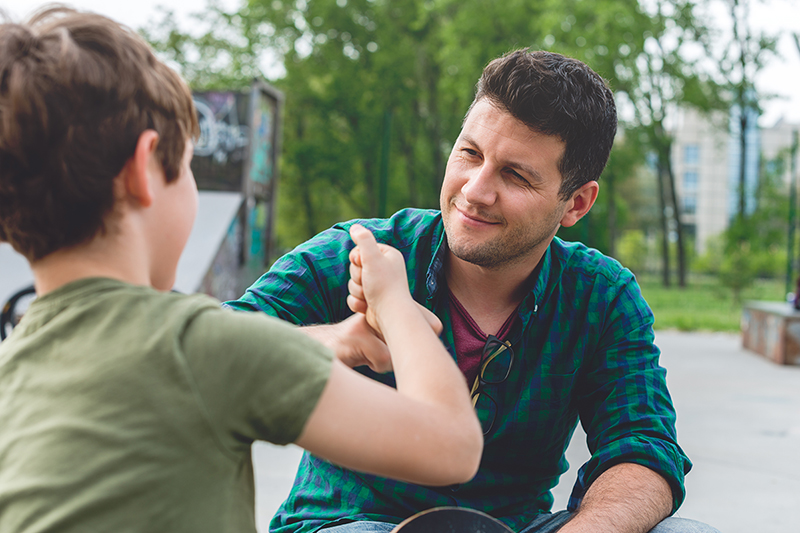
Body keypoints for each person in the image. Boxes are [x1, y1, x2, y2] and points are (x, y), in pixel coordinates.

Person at [0, 7, 484, 533]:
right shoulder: (199, 345)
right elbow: (451, 446)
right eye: (188, 167)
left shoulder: (12, 372)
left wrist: (329, 342)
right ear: (145, 168)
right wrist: (393, 303)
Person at [227, 49, 720, 533]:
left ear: (575, 204)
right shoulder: (358, 252)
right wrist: (339, 340)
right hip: (351, 522)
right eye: (470, 153)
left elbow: (644, 446)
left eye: (515, 175)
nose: (475, 191)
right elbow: (208, 348)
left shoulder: (601, 296)